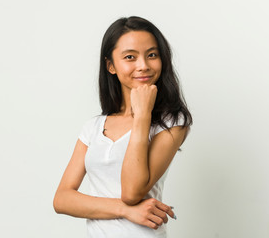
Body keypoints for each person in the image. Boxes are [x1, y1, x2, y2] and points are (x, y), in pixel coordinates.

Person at [53, 16, 192, 238]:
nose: (143, 65)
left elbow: (132, 192)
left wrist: (143, 115)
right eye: (130, 57)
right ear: (111, 66)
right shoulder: (94, 127)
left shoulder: (173, 123)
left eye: (152, 55)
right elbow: (62, 199)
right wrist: (126, 211)